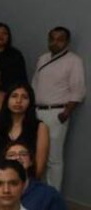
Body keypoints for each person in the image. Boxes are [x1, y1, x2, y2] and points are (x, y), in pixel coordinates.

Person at [32, 26, 84, 189]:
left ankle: (53, 197)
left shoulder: (74, 61)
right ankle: (36, 193)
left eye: (59, 39)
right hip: (36, 111)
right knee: (36, 154)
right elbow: (34, 84)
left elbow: (78, 90)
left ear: (66, 42)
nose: (55, 42)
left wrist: (66, 112)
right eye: (52, 39)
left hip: (56, 113)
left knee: (53, 158)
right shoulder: (43, 58)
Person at [0, 83, 50, 179]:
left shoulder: (40, 127)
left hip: (29, 183)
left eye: (24, 97)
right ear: (7, 100)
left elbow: (39, 166)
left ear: (30, 102)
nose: (18, 101)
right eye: (14, 96)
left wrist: (23, 185)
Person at [0, 23, 29, 89]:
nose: (0, 35)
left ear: (9, 37)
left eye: (4, 33)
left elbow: (22, 79)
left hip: (9, 94)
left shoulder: (15, 55)